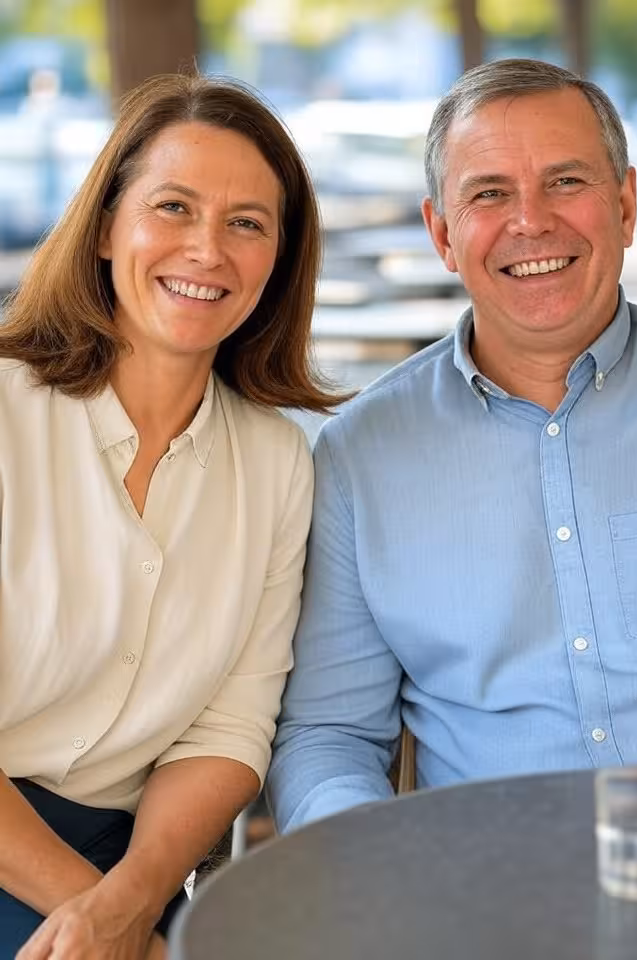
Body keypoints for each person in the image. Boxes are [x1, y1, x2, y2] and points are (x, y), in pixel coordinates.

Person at [266, 58, 637, 841]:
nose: (531, 221)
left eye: (566, 181)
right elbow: (330, 735)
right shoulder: (359, 458)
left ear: (625, 205)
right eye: (489, 193)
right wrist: (371, 860)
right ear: (443, 233)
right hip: (487, 885)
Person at [0, 72, 344, 958]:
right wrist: (113, 924)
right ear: (106, 225)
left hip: (127, 865)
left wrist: (134, 902)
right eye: (174, 207)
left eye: (247, 224)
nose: (207, 250)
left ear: (279, 260)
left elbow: (228, 727)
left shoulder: (277, 463)